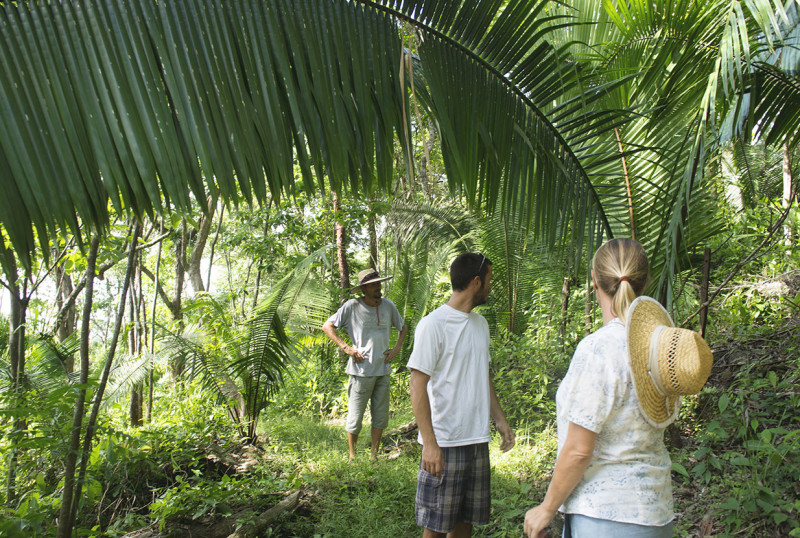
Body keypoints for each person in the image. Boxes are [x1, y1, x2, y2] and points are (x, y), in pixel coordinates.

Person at [523, 238, 713, 538]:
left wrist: (546, 509)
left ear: (594, 282)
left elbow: (578, 451)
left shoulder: (598, 349)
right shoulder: (660, 347)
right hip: (657, 514)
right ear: (645, 282)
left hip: (604, 517)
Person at [407, 252, 516, 538]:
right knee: (436, 524)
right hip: (445, 441)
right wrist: (429, 443)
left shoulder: (480, 325)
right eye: (490, 279)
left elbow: (482, 376)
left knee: (466, 521)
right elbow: (417, 385)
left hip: (476, 439)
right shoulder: (433, 325)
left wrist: (500, 421)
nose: (491, 286)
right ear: (476, 281)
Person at [322, 268, 408, 460]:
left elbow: (403, 327)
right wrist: (347, 348)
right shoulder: (352, 306)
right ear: (364, 289)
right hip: (361, 371)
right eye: (374, 285)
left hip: (383, 369)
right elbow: (327, 326)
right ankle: (352, 456)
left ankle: (373, 456)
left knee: (380, 416)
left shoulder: (388, 306)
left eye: (379, 283)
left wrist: (396, 349)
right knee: (355, 416)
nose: (378, 287)